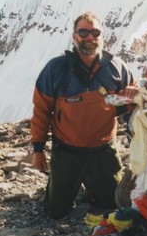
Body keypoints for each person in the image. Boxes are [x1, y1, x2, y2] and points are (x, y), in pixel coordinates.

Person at [31, 11, 138, 219]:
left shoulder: (116, 67)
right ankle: (68, 184)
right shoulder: (56, 68)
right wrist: (38, 149)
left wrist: (134, 93)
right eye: (83, 32)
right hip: (67, 150)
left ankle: (91, 185)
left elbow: (129, 100)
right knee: (56, 212)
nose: (90, 37)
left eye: (95, 32)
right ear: (74, 36)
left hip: (103, 149)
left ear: (102, 35)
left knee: (112, 204)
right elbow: (41, 110)